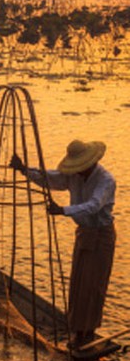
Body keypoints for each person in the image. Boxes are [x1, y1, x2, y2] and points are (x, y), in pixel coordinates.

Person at [10, 139, 116, 349]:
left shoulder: (105, 180)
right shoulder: (75, 176)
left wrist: (63, 211)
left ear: (90, 163)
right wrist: (24, 169)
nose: (77, 172)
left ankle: (88, 333)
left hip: (101, 237)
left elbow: (94, 206)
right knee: (78, 283)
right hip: (84, 234)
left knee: (93, 285)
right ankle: (79, 330)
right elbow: (50, 178)